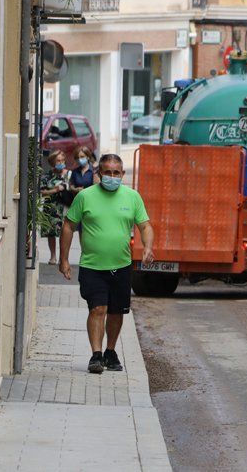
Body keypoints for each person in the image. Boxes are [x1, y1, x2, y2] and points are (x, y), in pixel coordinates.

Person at [59, 154, 155, 374]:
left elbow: (146, 226)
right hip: (92, 266)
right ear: (99, 174)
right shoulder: (85, 197)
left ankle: (111, 352)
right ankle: (96, 354)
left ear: (122, 174)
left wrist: (148, 247)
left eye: (116, 173)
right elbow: (68, 226)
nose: (112, 176)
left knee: (116, 312)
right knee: (98, 308)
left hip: (121, 266)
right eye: (108, 172)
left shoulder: (132, 197)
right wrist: (64, 259)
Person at [40, 151, 69, 265]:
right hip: (51, 207)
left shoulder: (69, 175)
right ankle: (53, 256)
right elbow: (42, 192)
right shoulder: (47, 176)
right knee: (51, 233)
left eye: (62, 160)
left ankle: (63, 257)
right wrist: (55, 190)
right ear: (52, 162)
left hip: (66, 208)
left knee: (65, 233)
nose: (61, 163)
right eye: (58, 161)